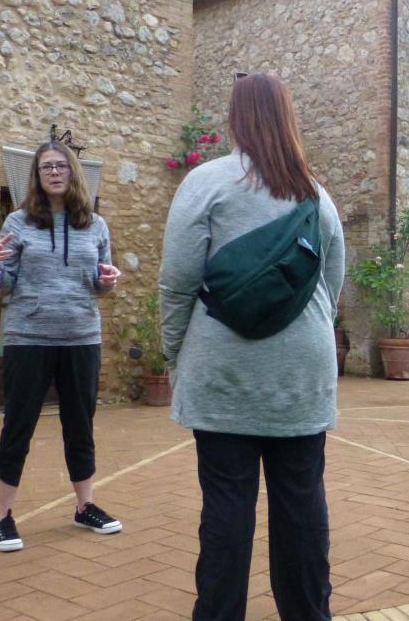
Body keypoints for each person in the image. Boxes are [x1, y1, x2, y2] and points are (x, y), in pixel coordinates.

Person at [159, 73, 345, 621]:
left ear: (236, 118)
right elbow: (331, 286)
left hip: (223, 369)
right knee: (303, 505)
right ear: (288, 117)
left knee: (226, 509)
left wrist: (174, 354)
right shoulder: (317, 194)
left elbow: (177, 283)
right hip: (304, 373)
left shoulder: (207, 182)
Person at [0, 138, 123, 552]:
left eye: (61, 165)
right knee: (18, 426)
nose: (55, 172)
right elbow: (3, 284)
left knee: (80, 424)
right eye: (47, 167)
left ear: (73, 173)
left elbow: (100, 284)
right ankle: (2, 517)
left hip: (81, 337)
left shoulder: (95, 225)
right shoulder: (18, 221)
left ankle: (85, 506)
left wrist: (108, 281)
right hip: (28, 338)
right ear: (37, 176)